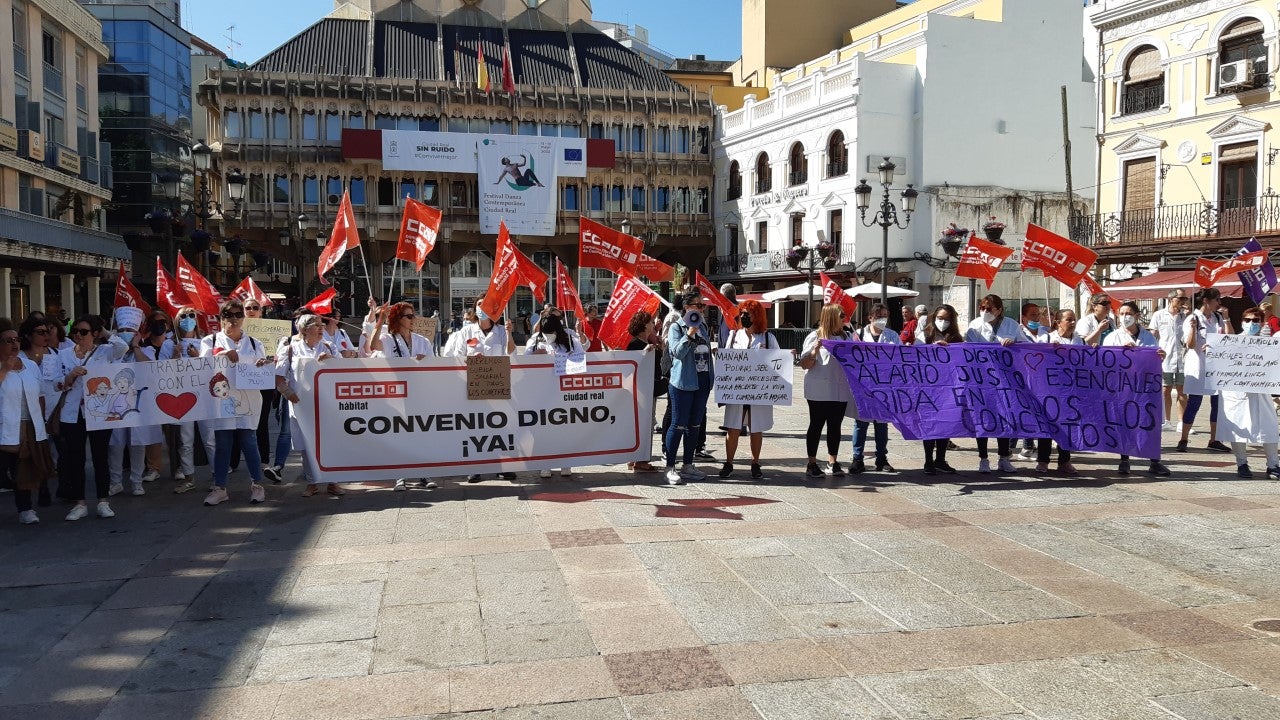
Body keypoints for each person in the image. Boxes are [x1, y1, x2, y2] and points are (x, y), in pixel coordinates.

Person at [56, 315, 129, 520]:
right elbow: (54, 383)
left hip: (99, 412)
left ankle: (103, 501)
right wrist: (69, 376)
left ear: (94, 334)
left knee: (100, 456)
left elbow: (122, 347)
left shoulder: (104, 352)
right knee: (75, 458)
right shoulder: (63, 355)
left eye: (84, 331)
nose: (78, 335)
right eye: (76, 331)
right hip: (72, 413)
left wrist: (105, 331)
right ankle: (80, 503)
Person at [200, 299, 272, 506]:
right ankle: (220, 488)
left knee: (249, 442)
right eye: (228, 315)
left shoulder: (254, 343)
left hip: (248, 400)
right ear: (221, 318)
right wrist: (223, 354)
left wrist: (263, 364)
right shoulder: (211, 341)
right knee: (223, 444)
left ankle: (257, 485)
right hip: (222, 400)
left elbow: (263, 368)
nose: (234, 319)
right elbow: (203, 366)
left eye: (238, 315)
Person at [443, 300, 517, 482]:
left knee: (500, 426)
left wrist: (509, 334)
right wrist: (471, 359)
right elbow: (456, 356)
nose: (482, 307)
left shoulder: (501, 331)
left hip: (498, 386)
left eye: (486, 303)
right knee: (475, 427)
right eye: (479, 303)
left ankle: (504, 466)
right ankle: (475, 466)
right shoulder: (467, 331)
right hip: (474, 386)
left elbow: (512, 355)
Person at [370, 302, 437, 490]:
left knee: (420, 433)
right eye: (408, 316)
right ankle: (400, 475)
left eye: (413, 315)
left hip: (419, 394)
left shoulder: (422, 341)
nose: (413, 319)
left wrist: (424, 363)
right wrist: (380, 319)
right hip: (397, 394)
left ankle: (424, 473)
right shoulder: (389, 339)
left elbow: (434, 367)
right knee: (399, 434)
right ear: (398, 319)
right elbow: (373, 345)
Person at [1103, 302, 1172, 477]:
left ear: (1136, 315)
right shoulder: (1112, 337)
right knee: (1124, 421)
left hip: (1145, 387)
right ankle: (1124, 460)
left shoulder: (1148, 337)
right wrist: (1123, 353)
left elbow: (1153, 359)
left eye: (1128, 313)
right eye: (1122, 313)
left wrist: (1160, 356)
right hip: (1122, 387)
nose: (1125, 317)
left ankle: (1154, 461)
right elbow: (1106, 361)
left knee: (1149, 421)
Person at [107, 309, 170, 497]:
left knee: (138, 443)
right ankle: (115, 481)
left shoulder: (146, 349)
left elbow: (148, 368)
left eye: (130, 330)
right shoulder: (110, 351)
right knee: (116, 444)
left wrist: (135, 347)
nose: (126, 332)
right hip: (115, 404)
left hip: (139, 404)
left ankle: (136, 481)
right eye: (123, 329)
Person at [275, 314, 336, 495]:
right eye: (316, 325)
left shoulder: (328, 347)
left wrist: (332, 361)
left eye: (322, 325)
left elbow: (342, 373)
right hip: (301, 406)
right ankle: (312, 482)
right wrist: (290, 396)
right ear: (303, 330)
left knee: (329, 443)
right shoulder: (290, 350)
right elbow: (279, 379)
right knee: (307, 445)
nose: (321, 328)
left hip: (326, 405)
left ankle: (333, 481)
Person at [719, 300, 780, 479]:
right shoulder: (733, 336)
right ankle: (729, 463)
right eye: (743, 313)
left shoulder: (768, 338)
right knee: (733, 428)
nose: (745, 316)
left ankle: (755, 463)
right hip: (737, 390)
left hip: (758, 390)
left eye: (749, 313)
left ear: (757, 316)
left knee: (756, 428)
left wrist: (787, 356)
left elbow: (777, 361)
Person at [964, 294, 1025, 473]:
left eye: (989, 309)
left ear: (999, 310)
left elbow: (1027, 346)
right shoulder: (975, 326)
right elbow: (968, 350)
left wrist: (1014, 344)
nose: (984, 312)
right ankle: (983, 459)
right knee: (982, 417)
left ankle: (1004, 457)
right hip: (981, 379)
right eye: (982, 308)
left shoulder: (1011, 325)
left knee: (1004, 417)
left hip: (1005, 379)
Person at [1217, 306, 1280, 478]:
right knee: (1239, 427)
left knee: (1269, 427)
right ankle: (1242, 463)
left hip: (1263, 393)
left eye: (1255, 321)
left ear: (1261, 323)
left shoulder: (1271, 345)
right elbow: (1219, 361)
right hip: (1238, 394)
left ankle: (1273, 465)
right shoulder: (1231, 342)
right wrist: (1211, 351)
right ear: (1242, 322)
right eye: (1248, 320)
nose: (1251, 323)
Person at [1, 320, 54, 525]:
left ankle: (25, 509)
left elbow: (39, 395)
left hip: (29, 425)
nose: (14, 345)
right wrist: (5, 369)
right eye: (8, 341)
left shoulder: (30, 365)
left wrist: (42, 420)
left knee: (23, 469)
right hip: (4, 426)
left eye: (16, 340)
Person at [526, 306, 585, 480]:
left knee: (565, 429)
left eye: (551, 332)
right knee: (543, 430)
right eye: (546, 332)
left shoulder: (569, 340)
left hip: (564, 393)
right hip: (541, 394)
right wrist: (534, 356)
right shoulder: (535, 340)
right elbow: (522, 364)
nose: (549, 335)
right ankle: (545, 464)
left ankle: (566, 462)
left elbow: (581, 359)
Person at [665, 292, 714, 486]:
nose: (702, 309)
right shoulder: (677, 327)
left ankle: (688, 464)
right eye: (698, 305)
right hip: (683, 383)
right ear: (687, 307)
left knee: (695, 425)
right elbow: (677, 352)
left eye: (703, 306)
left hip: (702, 382)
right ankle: (670, 467)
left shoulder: (702, 326)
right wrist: (689, 334)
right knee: (678, 424)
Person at [799, 304, 853, 477]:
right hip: (819, 390)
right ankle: (812, 463)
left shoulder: (847, 336)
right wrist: (815, 350)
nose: (844, 318)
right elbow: (804, 364)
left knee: (835, 426)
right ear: (831, 317)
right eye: (841, 315)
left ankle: (833, 461)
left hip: (840, 389)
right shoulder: (814, 336)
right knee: (816, 425)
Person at [1178, 288, 1232, 453]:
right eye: (1217, 299)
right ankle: (1184, 438)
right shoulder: (1192, 318)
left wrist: (1227, 319)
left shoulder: (1217, 317)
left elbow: (1231, 339)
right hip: (1199, 366)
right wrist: (1193, 329)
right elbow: (1191, 345)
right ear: (1206, 301)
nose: (1219, 303)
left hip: (1216, 366)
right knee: (1194, 402)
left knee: (1217, 403)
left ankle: (1214, 439)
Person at [849, 303, 899, 474]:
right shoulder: (858, 335)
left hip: (885, 386)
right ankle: (857, 458)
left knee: (882, 424)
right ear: (870, 317)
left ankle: (881, 459)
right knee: (860, 423)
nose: (882, 319)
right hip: (863, 386)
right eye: (878, 316)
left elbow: (899, 359)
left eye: (885, 315)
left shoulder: (892, 336)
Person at [19, 317, 61, 505]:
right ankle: (34, 492)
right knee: (30, 454)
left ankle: (62, 488)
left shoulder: (55, 354)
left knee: (58, 453)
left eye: (47, 331)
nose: (47, 335)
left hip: (54, 410)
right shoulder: (19, 358)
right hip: (28, 414)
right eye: (41, 332)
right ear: (28, 336)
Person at [172, 306, 214, 493]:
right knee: (185, 439)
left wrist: (198, 358)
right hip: (181, 398)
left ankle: (217, 477)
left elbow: (212, 368)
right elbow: (160, 373)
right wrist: (175, 355)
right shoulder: (169, 343)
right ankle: (189, 477)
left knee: (210, 439)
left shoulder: (205, 342)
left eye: (191, 316)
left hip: (203, 397)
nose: (188, 319)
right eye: (183, 316)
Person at [920, 305, 962, 474]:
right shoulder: (924, 334)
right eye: (940, 318)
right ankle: (928, 461)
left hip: (948, 387)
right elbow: (915, 354)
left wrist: (951, 350)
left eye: (946, 319)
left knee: (945, 424)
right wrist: (932, 349)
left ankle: (940, 459)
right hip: (928, 387)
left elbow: (960, 360)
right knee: (929, 424)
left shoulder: (956, 338)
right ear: (934, 317)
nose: (942, 322)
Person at [625, 310, 661, 474]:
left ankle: (636, 458)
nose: (653, 324)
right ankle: (641, 460)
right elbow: (631, 366)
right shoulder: (635, 344)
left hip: (648, 388)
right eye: (650, 322)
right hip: (642, 390)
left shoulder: (648, 341)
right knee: (644, 425)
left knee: (643, 424)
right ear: (643, 325)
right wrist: (645, 352)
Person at [1149, 289, 1188, 432]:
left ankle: (1182, 422)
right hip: (1165, 358)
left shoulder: (1186, 316)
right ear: (1171, 299)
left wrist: (1189, 316)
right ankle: (1166, 420)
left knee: (1182, 390)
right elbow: (1153, 335)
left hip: (1182, 358)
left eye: (1185, 299)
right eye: (1181, 298)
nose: (1183, 302)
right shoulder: (1159, 315)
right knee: (1165, 390)